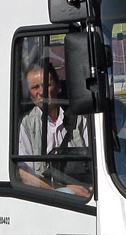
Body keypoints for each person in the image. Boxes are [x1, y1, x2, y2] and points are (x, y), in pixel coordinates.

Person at [17, 61, 90, 197]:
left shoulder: (80, 118)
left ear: (59, 87)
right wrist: (64, 188)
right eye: (35, 88)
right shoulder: (26, 124)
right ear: (30, 95)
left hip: (85, 194)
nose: (41, 92)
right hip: (46, 197)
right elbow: (25, 175)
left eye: (47, 85)